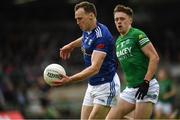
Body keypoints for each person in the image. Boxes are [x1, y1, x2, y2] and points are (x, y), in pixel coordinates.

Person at [51, 1, 120, 119]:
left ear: (91, 16)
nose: (77, 22)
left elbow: (94, 69)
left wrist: (70, 79)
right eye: (76, 19)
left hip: (106, 85)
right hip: (92, 85)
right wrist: (71, 45)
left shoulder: (101, 36)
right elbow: (85, 37)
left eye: (80, 18)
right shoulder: (88, 29)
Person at [106, 4, 160, 119]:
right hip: (130, 89)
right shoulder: (118, 41)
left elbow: (154, 57)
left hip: (146, 86)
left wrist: (146, 82)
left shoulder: (137, 34)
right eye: (116, 19)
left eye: (122, 19)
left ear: (130, 20)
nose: (119, 22)